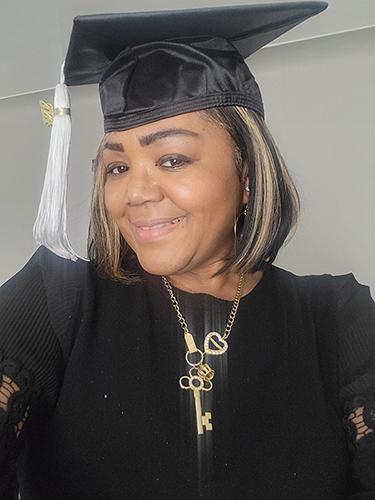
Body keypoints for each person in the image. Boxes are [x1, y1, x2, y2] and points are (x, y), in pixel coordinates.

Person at [1, 2, 375, 499]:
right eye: (116, 168)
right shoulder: (58, 300)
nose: (135, 193)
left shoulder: (336, 317)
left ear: (246, 175)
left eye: (171, 159)